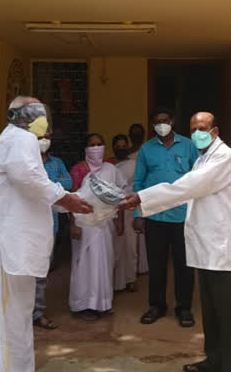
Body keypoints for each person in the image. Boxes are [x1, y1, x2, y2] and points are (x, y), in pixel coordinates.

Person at [0, 97, 92, 372]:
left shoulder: (11, 141)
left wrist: (65, 201)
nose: (44, 119)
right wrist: (66, 199)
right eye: (39, 113)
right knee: (7, 322)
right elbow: (27, 179)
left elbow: (28, 192)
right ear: (21, 115)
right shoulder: (21, 139)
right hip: (3, 255)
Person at [119, 112, 231, 372]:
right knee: (211, 313)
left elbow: (185, 187)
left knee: (228, 315)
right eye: (193, 128)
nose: (198, 132)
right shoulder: (203, 159)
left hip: (221, 248)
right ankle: (214, 360)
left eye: (203, 128)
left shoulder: (223, 157)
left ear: (215, 131)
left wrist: (142, 198)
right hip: (206, 247)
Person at [133, 107, 198, 327]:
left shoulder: (189, 146)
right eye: (157, 121)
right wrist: (137, 213)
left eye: (165, 120)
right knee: (157, 264)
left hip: (183, 216)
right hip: (155, 215)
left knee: (184, 265)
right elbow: (138, 183)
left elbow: (199, 179)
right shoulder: (146, 149)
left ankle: (184, 307)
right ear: (153, 125)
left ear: (172, 120)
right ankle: (156, 305)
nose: (162, 124)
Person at [68, 133, 128, 321]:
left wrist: (120, 220)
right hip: (83, 224)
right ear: (85, 148)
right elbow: (69, 198)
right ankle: (82, 305)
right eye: (92, 144)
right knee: (84, 263)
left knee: (104, 262)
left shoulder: (111, 169)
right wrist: (73, 224)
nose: (96, 147)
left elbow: (121, 195)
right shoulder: (78, 170)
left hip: (105, 224)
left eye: (99, 144)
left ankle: (102, 302)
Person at [33, 132, 73, 330]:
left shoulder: (56, 162)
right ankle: (21, 314)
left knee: (42, 272)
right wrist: (52, 184)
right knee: (22, 271)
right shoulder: (26, 162)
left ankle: (38, 312)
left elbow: (68, 182)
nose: (44, 140)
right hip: (26, 224)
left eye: (47, 137)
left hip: (51, 223)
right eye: (40, 137)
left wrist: (44, 185)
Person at [112, 134, 138, 293]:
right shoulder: (109, 165)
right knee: (115, 247)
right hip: (112, 209)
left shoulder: (133, 164)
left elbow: (136, 185)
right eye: (118, 146)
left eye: (123, 146)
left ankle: (130, 279)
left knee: (130, 246)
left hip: (129, 207)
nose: (121, 149)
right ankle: (115, 281)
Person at [128, 123, 150, 275]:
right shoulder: (127, 154)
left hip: (144, 196)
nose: (136, 136)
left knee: (143, 238)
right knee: (129, 237)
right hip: (128, 197)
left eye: (139, 133)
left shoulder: (148, 150)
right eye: (133, 133)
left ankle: (143, 267)